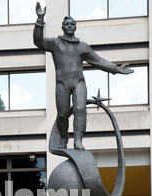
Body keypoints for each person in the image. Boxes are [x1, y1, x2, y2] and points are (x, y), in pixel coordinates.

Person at [34, 2, 133, 149]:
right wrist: (40, 20)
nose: (69, 25)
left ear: (75, 27)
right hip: (62, 83)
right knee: (62, 115)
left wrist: (116, 68)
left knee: (80, 109)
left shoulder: (82, 46)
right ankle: (63, 137)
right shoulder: (55, 43)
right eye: (66, 24)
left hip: (79, 83)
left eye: (72, 24)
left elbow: (98, 60)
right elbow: (38, 41)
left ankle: (78, 140)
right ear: (62, 27)